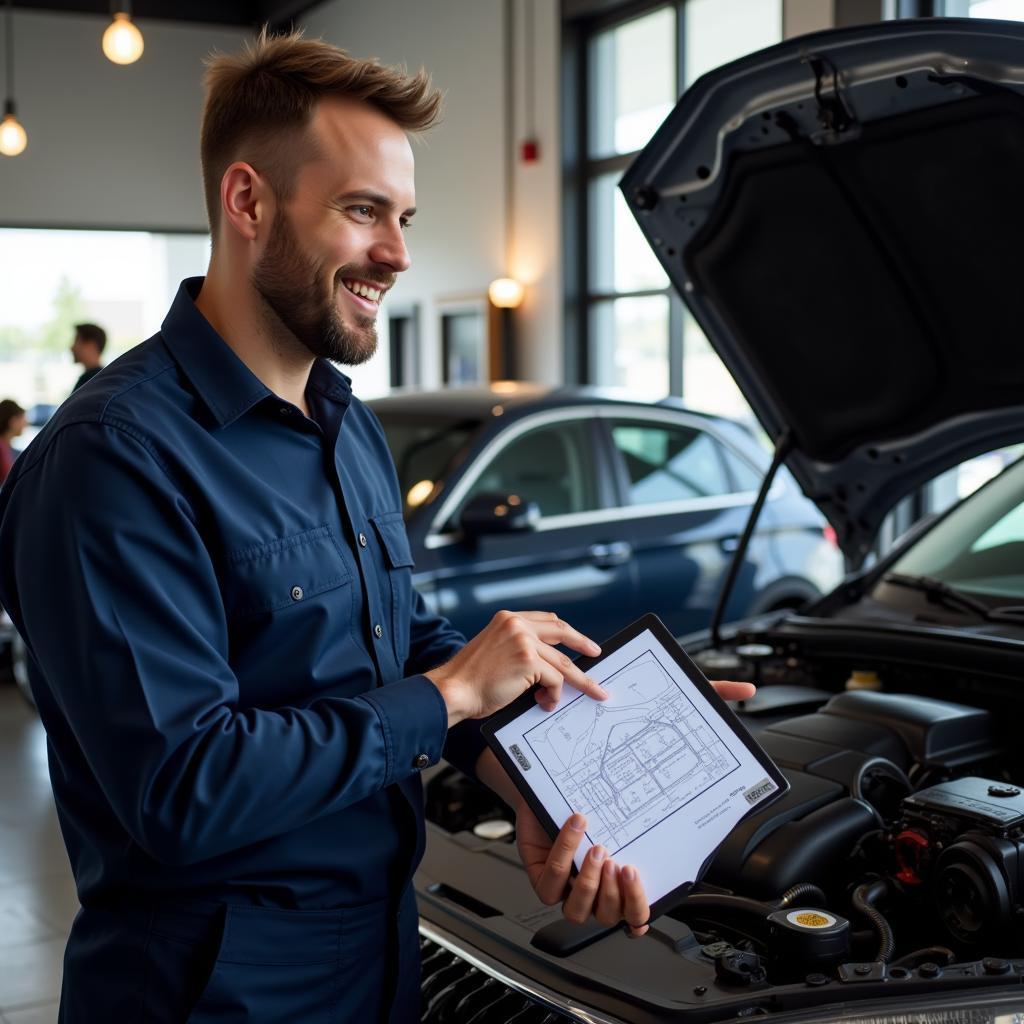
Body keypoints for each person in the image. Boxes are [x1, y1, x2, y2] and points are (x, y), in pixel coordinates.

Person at [0, 31, 753, 1024]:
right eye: (362, 212)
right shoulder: (113, 457)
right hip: (216, 986)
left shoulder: (344, 424)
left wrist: (552, 753)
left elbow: (399, 644)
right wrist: (446, 697)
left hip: (383, 952)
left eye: (402, 216)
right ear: (247, 200)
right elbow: (186, 788)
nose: (396, 253)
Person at [69, 322, 106, 392]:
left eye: (76, 340)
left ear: (91, 345)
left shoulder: (93, 381)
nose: (72, 348)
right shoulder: (97, 378)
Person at [0, 399, 26, 485]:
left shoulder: (5, 446)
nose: (26, 423)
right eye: (22, 419)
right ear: (13, 421)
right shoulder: (2, 448)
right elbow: (9, 482)